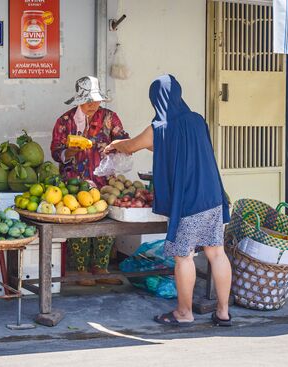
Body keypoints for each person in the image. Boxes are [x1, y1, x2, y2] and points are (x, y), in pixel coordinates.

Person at [105, 74, 232, 327]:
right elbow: (174, 146)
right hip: (213, 196)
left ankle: (184, 313)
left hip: (189, 202)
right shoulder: (197, 120)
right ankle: (223, 312)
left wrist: (116, 144)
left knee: (183, 257)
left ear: (156, 100)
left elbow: (131, 147)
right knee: (217, 253)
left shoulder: (159, 127)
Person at [51, 76, 129, 285]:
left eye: (95, 100)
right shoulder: (64, 122)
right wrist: (70, 151)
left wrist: (116, 145)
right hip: (74, 182)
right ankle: (81, 269)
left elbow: (122, 138)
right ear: (78, 101)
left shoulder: (109, 118)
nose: (92, 105)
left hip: (104, 181)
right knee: (79, 223)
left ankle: (101, 268)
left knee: (106, 224)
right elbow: (56, 153)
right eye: (87, 101)